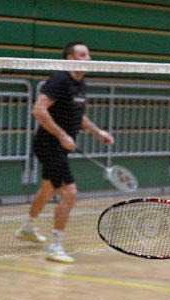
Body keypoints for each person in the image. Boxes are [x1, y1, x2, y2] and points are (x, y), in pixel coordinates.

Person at [16, 41, 114, 263]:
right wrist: (62, 135)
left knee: (48, 189)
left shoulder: (80, 83)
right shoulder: (60, 80)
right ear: (70, 58)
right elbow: (38, 109)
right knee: (70, 193)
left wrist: (98, 132)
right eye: (82, 55)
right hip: (49, 145)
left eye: (88, 54)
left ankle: (27, 228)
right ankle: (55, 247)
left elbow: (78, 115)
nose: (88, 59)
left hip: (58, 146)